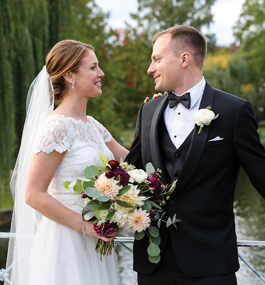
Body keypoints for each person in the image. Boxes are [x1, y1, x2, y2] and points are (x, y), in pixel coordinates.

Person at [126, 25, 265, 285]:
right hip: (153, 265)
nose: (150, 68)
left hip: (211, 264)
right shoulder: (148, 111)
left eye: (156, 59)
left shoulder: (234, 111)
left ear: (184, 59)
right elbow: (129, 173)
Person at [5, 40, 128, 285]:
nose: (101, 73)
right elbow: (33, 194)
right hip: (66, 244)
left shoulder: (93, 125)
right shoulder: (57, 126)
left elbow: (133, 162)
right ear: (70, 75)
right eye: (93, 67)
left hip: (96, 242)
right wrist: (87, 227)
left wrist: (156, 114)